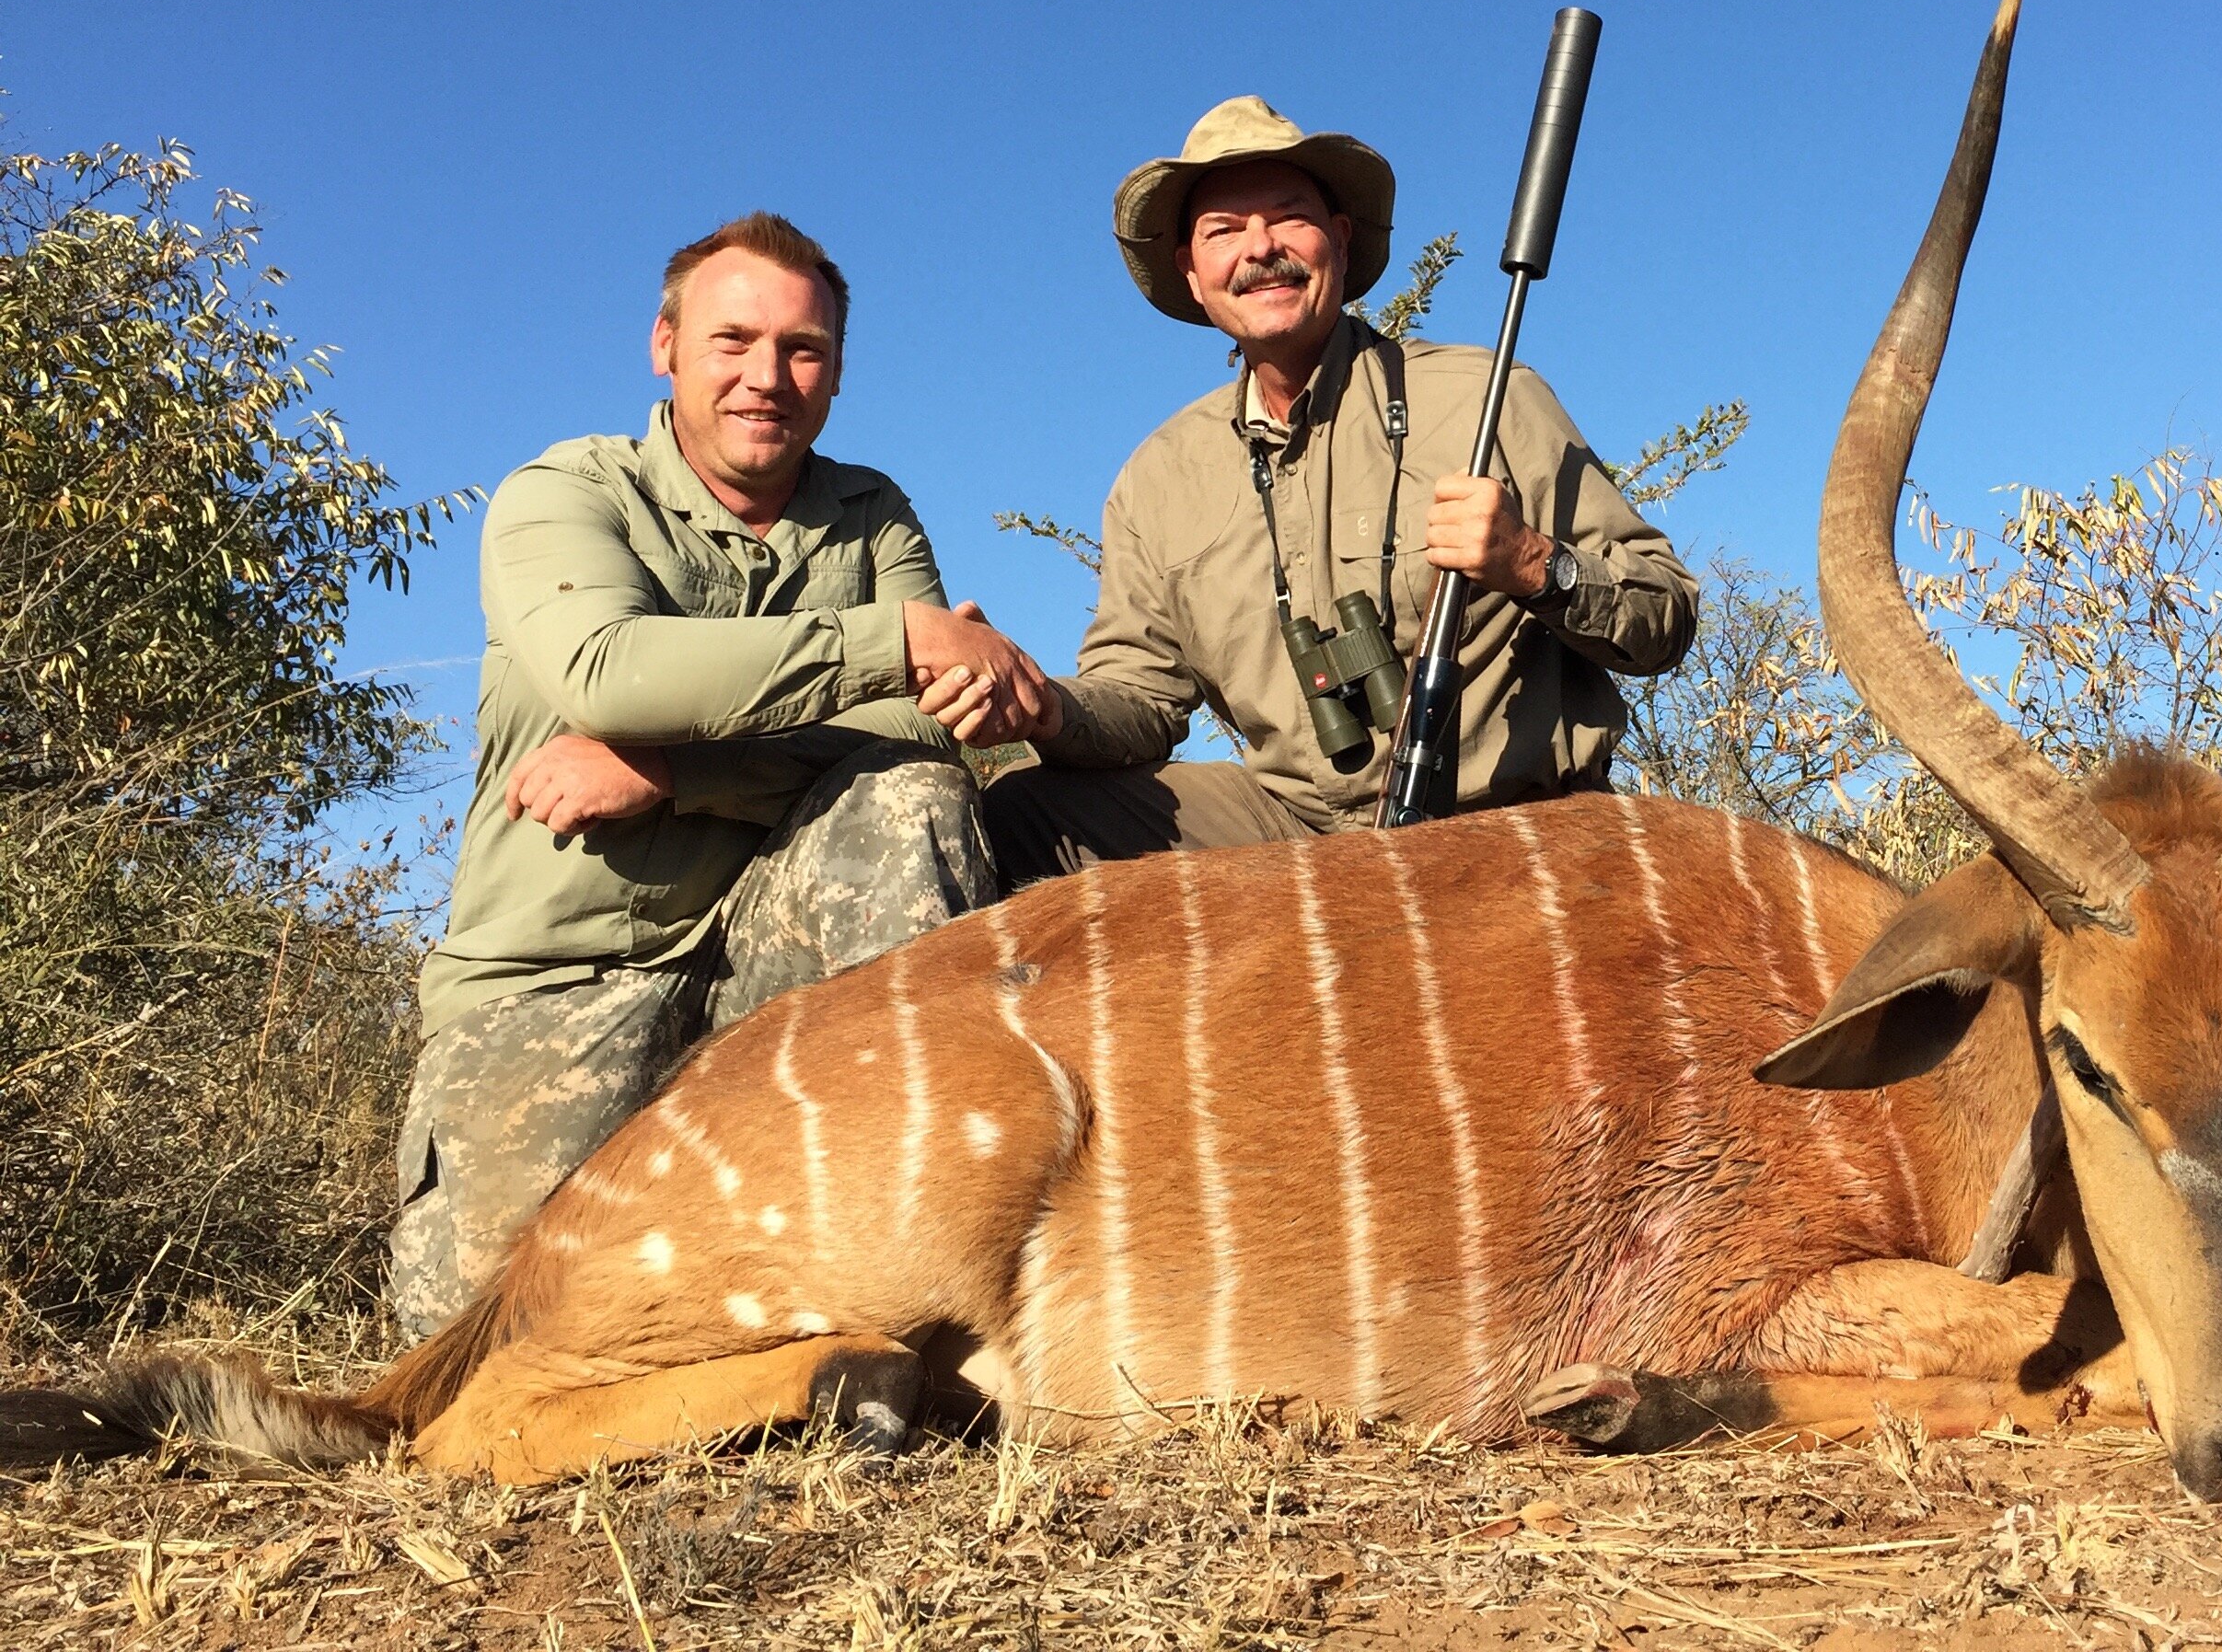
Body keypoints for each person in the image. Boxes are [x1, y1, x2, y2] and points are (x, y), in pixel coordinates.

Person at [389, 212, 1057, 1334]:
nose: (767, 378)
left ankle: (929, 1296)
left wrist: (675, 773)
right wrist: (889, 642)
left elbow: (924, 737)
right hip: (562, 979)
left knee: (910, 802)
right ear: (665, 346)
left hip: (770, 970)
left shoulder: (870, 513)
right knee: (503, 1342)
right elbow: (609, 674)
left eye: (804, 351)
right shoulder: (563, 495)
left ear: (837, 372)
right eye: (732, 341)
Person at [980, 95, 1696, 880]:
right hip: (1293, 831)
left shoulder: (1486, 396)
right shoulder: (1158, 479)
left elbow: (1664, 611)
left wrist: (1534, 564)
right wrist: (1045, 706)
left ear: (1341, 241)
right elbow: (1141, 698)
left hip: (1511, 823)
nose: (1260, 249)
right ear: (1192, 270)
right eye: (1223, 230)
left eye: (1288, 217)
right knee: (1023, 813)